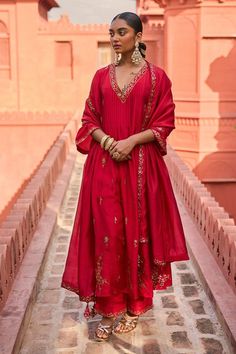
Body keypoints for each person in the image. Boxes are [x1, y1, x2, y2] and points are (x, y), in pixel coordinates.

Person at [61, 11, 190, 341]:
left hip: (141, 167)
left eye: (121, 32)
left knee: (137, 233)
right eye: (111, 32)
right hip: (104, 168)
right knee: (107, 234)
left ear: (138, 36)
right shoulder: (101, 77)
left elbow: (164, 122)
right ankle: (108, 307)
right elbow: (89, 119)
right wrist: (107, 141)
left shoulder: (157, 78)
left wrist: (131, 140)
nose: (115, 38)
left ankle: (135, 304)